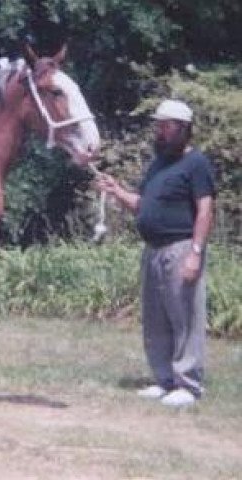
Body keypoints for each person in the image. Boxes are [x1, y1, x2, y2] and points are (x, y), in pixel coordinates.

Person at [97, 99, 216, 407]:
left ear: (184, 129)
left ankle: (188, 385)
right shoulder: (158, 164)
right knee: (156, 319)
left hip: (181, 248)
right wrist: (115, 190)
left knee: (184, 317)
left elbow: (205, 210)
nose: (160, 132)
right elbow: (142, 204)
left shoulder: (196, 163)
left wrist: (195, 252)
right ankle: (164, 379)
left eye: (166, 127)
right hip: (152, 250)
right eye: (158, 126)